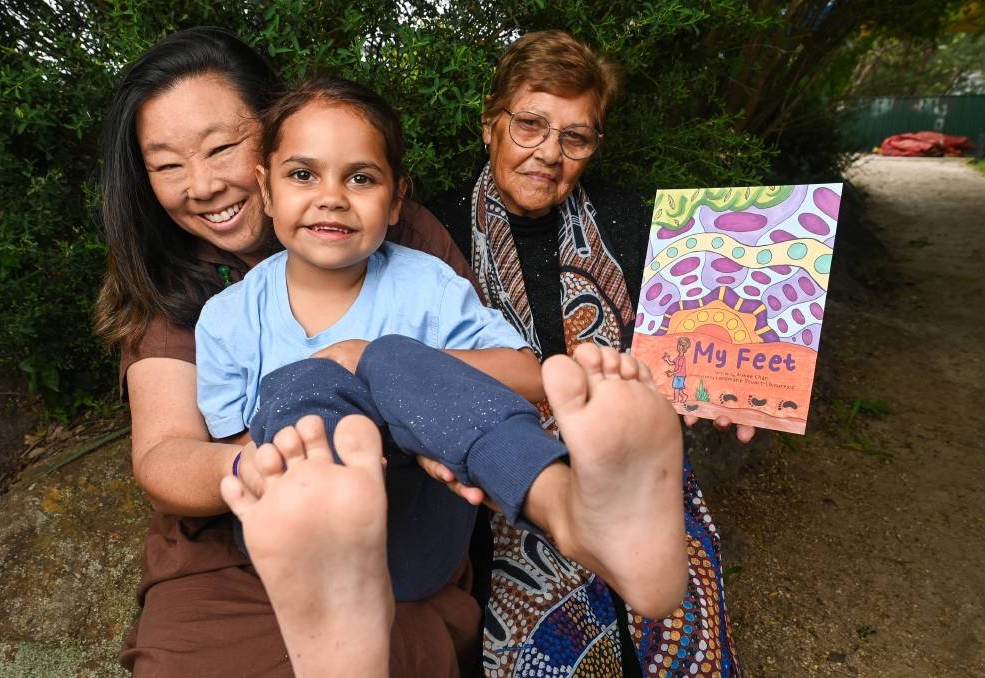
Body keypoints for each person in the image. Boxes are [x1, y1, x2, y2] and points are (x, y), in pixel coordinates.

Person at [195, 75, 685, 612]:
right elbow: (236, 454)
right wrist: (357, 437)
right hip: (292, 543)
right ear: (266, 190)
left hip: (419, 536)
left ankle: (571, 512)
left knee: (386, 355)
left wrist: (388, 369)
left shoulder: (427, 285)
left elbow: (527, 372)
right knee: (308, 381)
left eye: (360, 178)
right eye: (303, 174)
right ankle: (338, 599)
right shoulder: (228, 318)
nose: (331, 198)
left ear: (397, 198)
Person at [95, 28, 487, 677]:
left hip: (396, 534)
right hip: (231, 554)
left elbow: (491, 373)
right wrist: (279, 465)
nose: (203, 185)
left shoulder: (388, 230)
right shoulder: (176, 283)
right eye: (167, 166)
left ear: (278, 129)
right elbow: (164, 456)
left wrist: (390, 388)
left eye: (221, 148)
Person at [427, 29, 749, 677]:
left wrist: (719, 385)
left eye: (576, 136)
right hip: (503, 494)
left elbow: (678, 357)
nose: (550, 153)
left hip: (635, 478)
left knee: (668, 615)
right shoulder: (434, 231)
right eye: (530, 125)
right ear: (490, 120)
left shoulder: (630, 220)